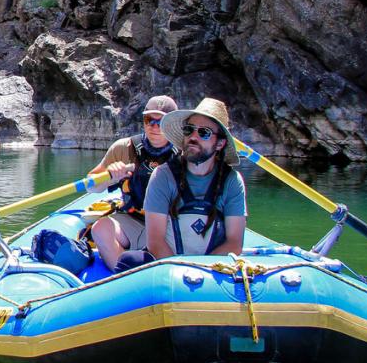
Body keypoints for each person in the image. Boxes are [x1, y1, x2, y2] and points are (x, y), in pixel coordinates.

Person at [141, 97, 247, 261]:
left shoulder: (232, 181)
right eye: (189, 130)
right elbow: (155, 243)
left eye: (204, 132)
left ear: (220, 144)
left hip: (211, 269)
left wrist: (202, 270)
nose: (193, 137)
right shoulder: (163, 176)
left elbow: (234, 243)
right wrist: (181, 272)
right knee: (129, 261)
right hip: (168, 267)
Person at [87, 95, 178, 271]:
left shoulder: (186, 151)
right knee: (100, 229)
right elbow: (91, 186)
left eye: (161, 122)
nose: (154, 126)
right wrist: (110, 176)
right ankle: (124, 274)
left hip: (171, 225)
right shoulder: (123, 148)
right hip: (133, 219)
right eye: (149, 120)